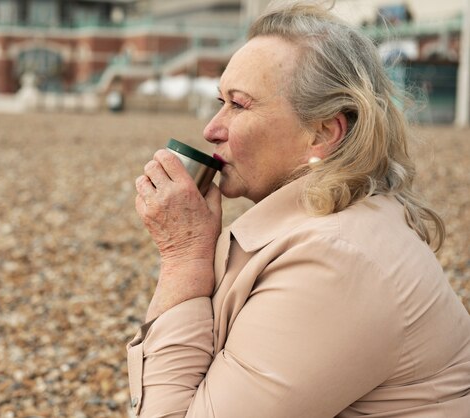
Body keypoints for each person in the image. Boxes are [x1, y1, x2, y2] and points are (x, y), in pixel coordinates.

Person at [127, 1, 470, 417]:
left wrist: (183, 257)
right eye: (220, 101)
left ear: (323, 133)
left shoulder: (337, 262)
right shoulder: (341, 221)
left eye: (238, 104)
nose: (211, 129)